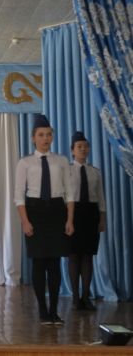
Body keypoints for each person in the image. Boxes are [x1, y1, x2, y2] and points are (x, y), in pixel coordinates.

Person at [14, 114, 74, 326]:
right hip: (35, 211)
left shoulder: (62, 161)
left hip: (57, 211)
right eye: (41, 135)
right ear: (33, 138)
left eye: (48, 134)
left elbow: (69, 193)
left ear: (53, 137)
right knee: (39, 263)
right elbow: (19, 196)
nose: (45, 138)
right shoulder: (25, 162)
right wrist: (25, 221)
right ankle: (42, 309)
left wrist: (69, 219)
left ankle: (54, 310)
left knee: (55, 263)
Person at [68, 131, 106, 311]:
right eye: (79, 146)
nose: (83, 149)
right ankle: (75, 297)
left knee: (88, 256)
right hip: (72, 213)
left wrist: (102, 219)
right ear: (72, 150)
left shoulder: (95, 172)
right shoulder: (67, 171)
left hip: (91, 214)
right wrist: (66, 220)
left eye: (85, 146)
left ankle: (86, 296)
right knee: (74, 256)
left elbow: (100, 198)